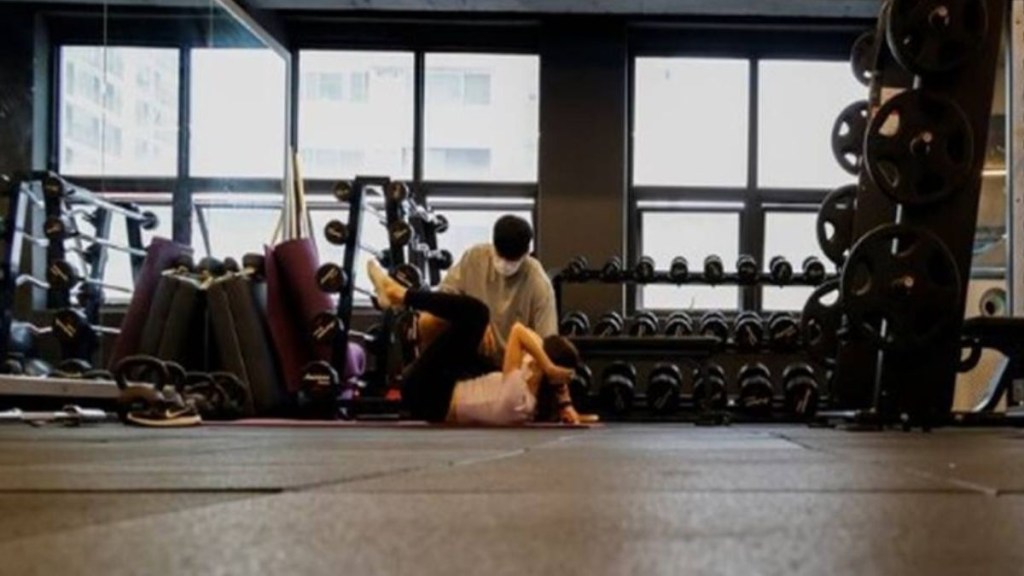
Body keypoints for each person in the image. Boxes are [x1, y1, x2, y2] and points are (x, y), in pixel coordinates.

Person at [369, 260, 582, 425]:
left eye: (537, 358)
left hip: (427, 393)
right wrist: (565, 403)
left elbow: (519, 331)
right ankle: (399, 296)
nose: (532, 356)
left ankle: (399, 294)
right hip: (442, 391)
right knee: (474, 330)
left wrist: (548, 366)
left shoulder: (518, 396)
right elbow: (533, 339)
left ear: (541, 367)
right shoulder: (530, 397)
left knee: (477, 313)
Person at [438, 215, 558, 364]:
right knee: (428, 320)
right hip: (472, 351)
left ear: (527, 253)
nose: (505, 264)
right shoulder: (474, 258)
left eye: (512, 260)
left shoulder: (539, 283)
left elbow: (547, 343)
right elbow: (443, 297)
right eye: (501, 256)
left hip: (513, 364)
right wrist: (475, 320)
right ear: (493, 245)